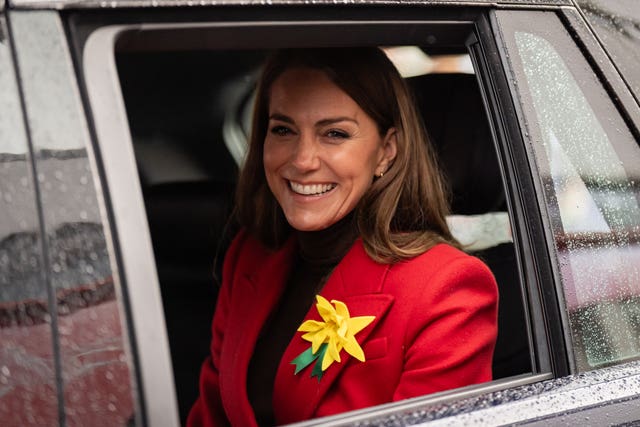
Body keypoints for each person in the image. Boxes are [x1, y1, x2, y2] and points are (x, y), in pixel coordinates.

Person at [187, 48, 498, 427]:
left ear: (386, 151)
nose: (302, 160)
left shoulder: (445, 287)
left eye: (334, 134)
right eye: (283, 129)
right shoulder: (251, 255)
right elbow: (212, 415)